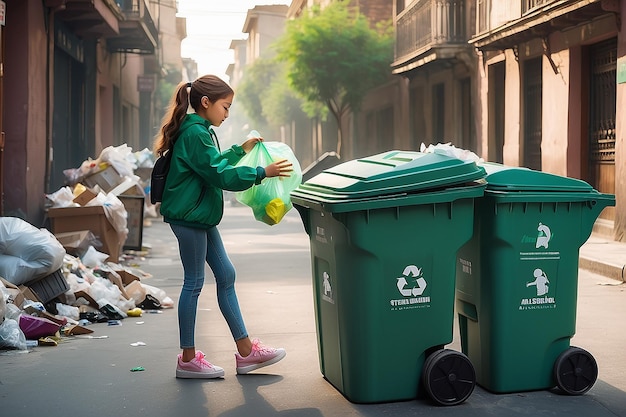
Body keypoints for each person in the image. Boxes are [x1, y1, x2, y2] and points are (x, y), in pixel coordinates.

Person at [154, 75, 293, 379]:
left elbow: (213, 162)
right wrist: (261, 172)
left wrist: (240, 150)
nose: (227, 113)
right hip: (189, 217)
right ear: (206, 103)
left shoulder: (199, 130)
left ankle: (246, 353)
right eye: (225, 107)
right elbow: (219, 175)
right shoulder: (195, 133)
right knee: (193, 282)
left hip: (198, 216)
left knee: (226, 275)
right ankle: (188, 359)